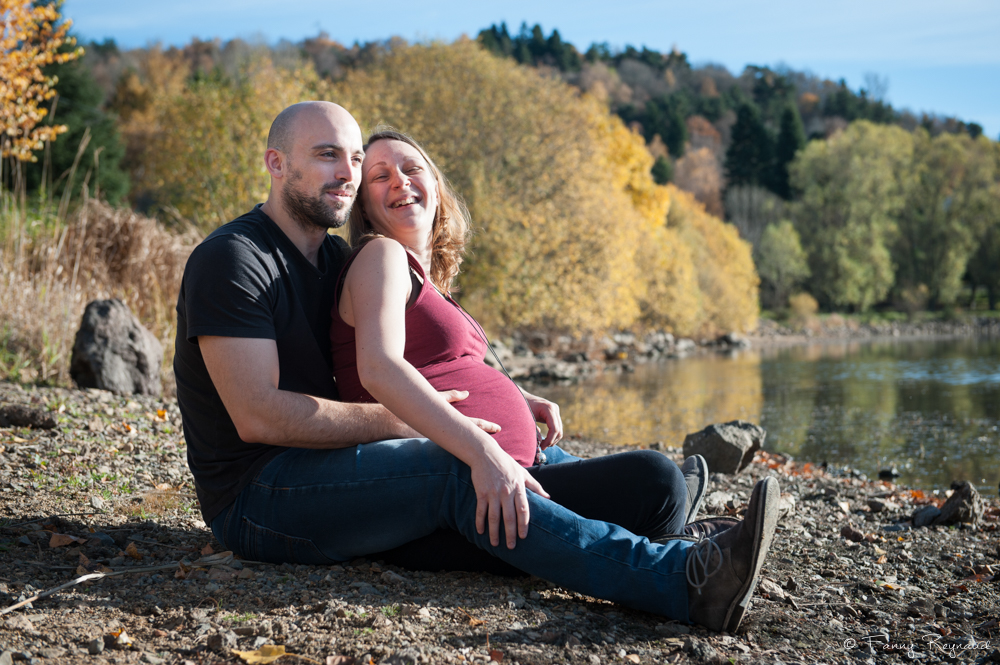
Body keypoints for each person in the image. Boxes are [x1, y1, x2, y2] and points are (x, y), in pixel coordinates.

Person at [175, 100, 779, 632]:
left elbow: (417, 353)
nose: (348, 173)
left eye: (355, 159)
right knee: (452, 467)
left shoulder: (332, 258)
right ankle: (684, 581)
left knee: (640, 479)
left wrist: (509, 401)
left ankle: (670, 534)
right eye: (328, 154)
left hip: (332, 470)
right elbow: (258, 416)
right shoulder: (233, 260)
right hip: (258, 497)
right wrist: (416, 423)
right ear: (276, 163)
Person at [328, 128, 732, 574]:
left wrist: (518, 399)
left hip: (498, 477)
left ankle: (673, 529)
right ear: (364, 204)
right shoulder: (380, 256)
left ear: (437, 187)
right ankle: (680, 540)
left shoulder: (425, 278)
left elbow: (446, 366)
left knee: (656, 485)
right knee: (656, 481)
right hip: (455, 498)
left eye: (411, 168)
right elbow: (379, 368)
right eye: (380, 176)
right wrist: (484, 450)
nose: (400, 181)